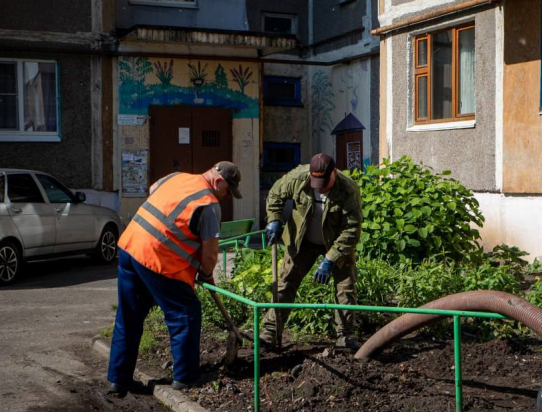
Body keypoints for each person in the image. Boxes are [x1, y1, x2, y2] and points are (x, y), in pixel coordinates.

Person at [106, 162, 242, 395]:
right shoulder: (209, 204)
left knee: (129, 315)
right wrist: (206, 273)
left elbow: (153, 190)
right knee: (185, 312)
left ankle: (119, 380)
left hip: (130, 247)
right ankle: (186, 377)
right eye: (228, 191)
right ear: (218, 181)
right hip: (158, 260)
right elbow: (209, 254)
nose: (227, 196)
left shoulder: (176, 177)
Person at [263, 153, 363, 351]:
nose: (319, 186)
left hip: (335, 242)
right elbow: (275, 194)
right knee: (285, 282)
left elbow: (352, 228)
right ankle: (271, 331)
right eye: (315, 181)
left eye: (324, 182)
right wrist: (274, 219)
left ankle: (346, 335)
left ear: (334, 173)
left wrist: (331, 258)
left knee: (345, 286)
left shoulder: (348, 189)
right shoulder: (298, 178)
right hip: (302, 241)